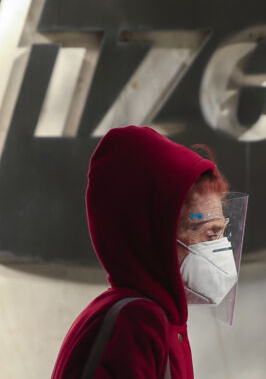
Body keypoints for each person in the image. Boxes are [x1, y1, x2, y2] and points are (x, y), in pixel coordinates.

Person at [51, 126, 244, 378]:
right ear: (158, 237)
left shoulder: (151, 318)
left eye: (222, 232)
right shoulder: (138, 323)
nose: (221, 247)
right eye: (210, 233)